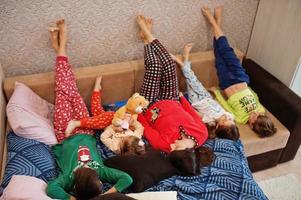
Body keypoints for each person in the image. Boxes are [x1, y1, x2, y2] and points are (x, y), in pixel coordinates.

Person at [46, 19, 132, 200]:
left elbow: (52, 189)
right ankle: (59, 48)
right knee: (73, 91)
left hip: (66, 133)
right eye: (101, 184)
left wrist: (71, 199)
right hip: (85, 130)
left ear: (76, 185)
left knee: (63, 91)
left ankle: (61, 46)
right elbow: (126, 178)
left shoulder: (69, 178)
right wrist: (107, 194)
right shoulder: (100, 171)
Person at [136, 15, 214, 175]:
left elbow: (146, 127)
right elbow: (192, 114)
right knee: (170, 64)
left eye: (172, 149)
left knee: (155, 67)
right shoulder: (202, 134)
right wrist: (181, 98)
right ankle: (147, 35)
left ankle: (146, 39)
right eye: (176, 147)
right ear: (189, 149)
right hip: (172, 99)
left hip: (150, 105)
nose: (171, 146)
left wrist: (138, 111)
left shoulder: (164, 146)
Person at [201, 6, 277, 137]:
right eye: (259, 115)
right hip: (240, 77)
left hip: (226, 83)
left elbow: (226, 107)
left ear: (251, 125)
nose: (256, 113)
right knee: (226, 50)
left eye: (254, 117)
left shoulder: (240, 119)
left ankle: (217, 22)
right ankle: (212, 20)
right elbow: (254, 96)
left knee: (219, 55)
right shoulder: (260, 109)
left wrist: (217, 92)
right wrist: (245, 83)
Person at [171, 43, 239, 140]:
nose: (226, 117)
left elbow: (195, 113)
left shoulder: (210, 120)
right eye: (229, 120)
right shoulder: (230, 116)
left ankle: (184, 60)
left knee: (191, 80)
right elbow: (222, 105)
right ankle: (184, 60)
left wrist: (183, 103)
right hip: (206, 96)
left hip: (196, 100)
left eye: (224, 120)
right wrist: (216, 95)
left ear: (217, 126)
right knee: (193, 80)